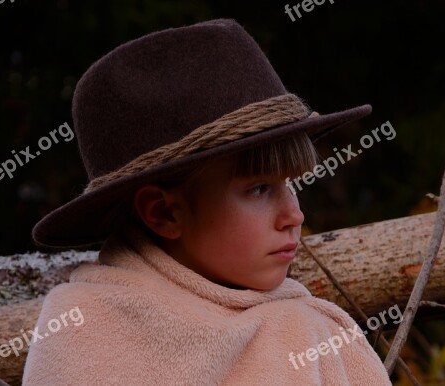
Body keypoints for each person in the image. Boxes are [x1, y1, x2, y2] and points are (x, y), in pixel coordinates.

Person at [24, 18, 391, 385]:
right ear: (164, 212)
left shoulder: (315, 337)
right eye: (259, 189)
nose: (294, 215)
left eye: (291, 184)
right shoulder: (80, 332)